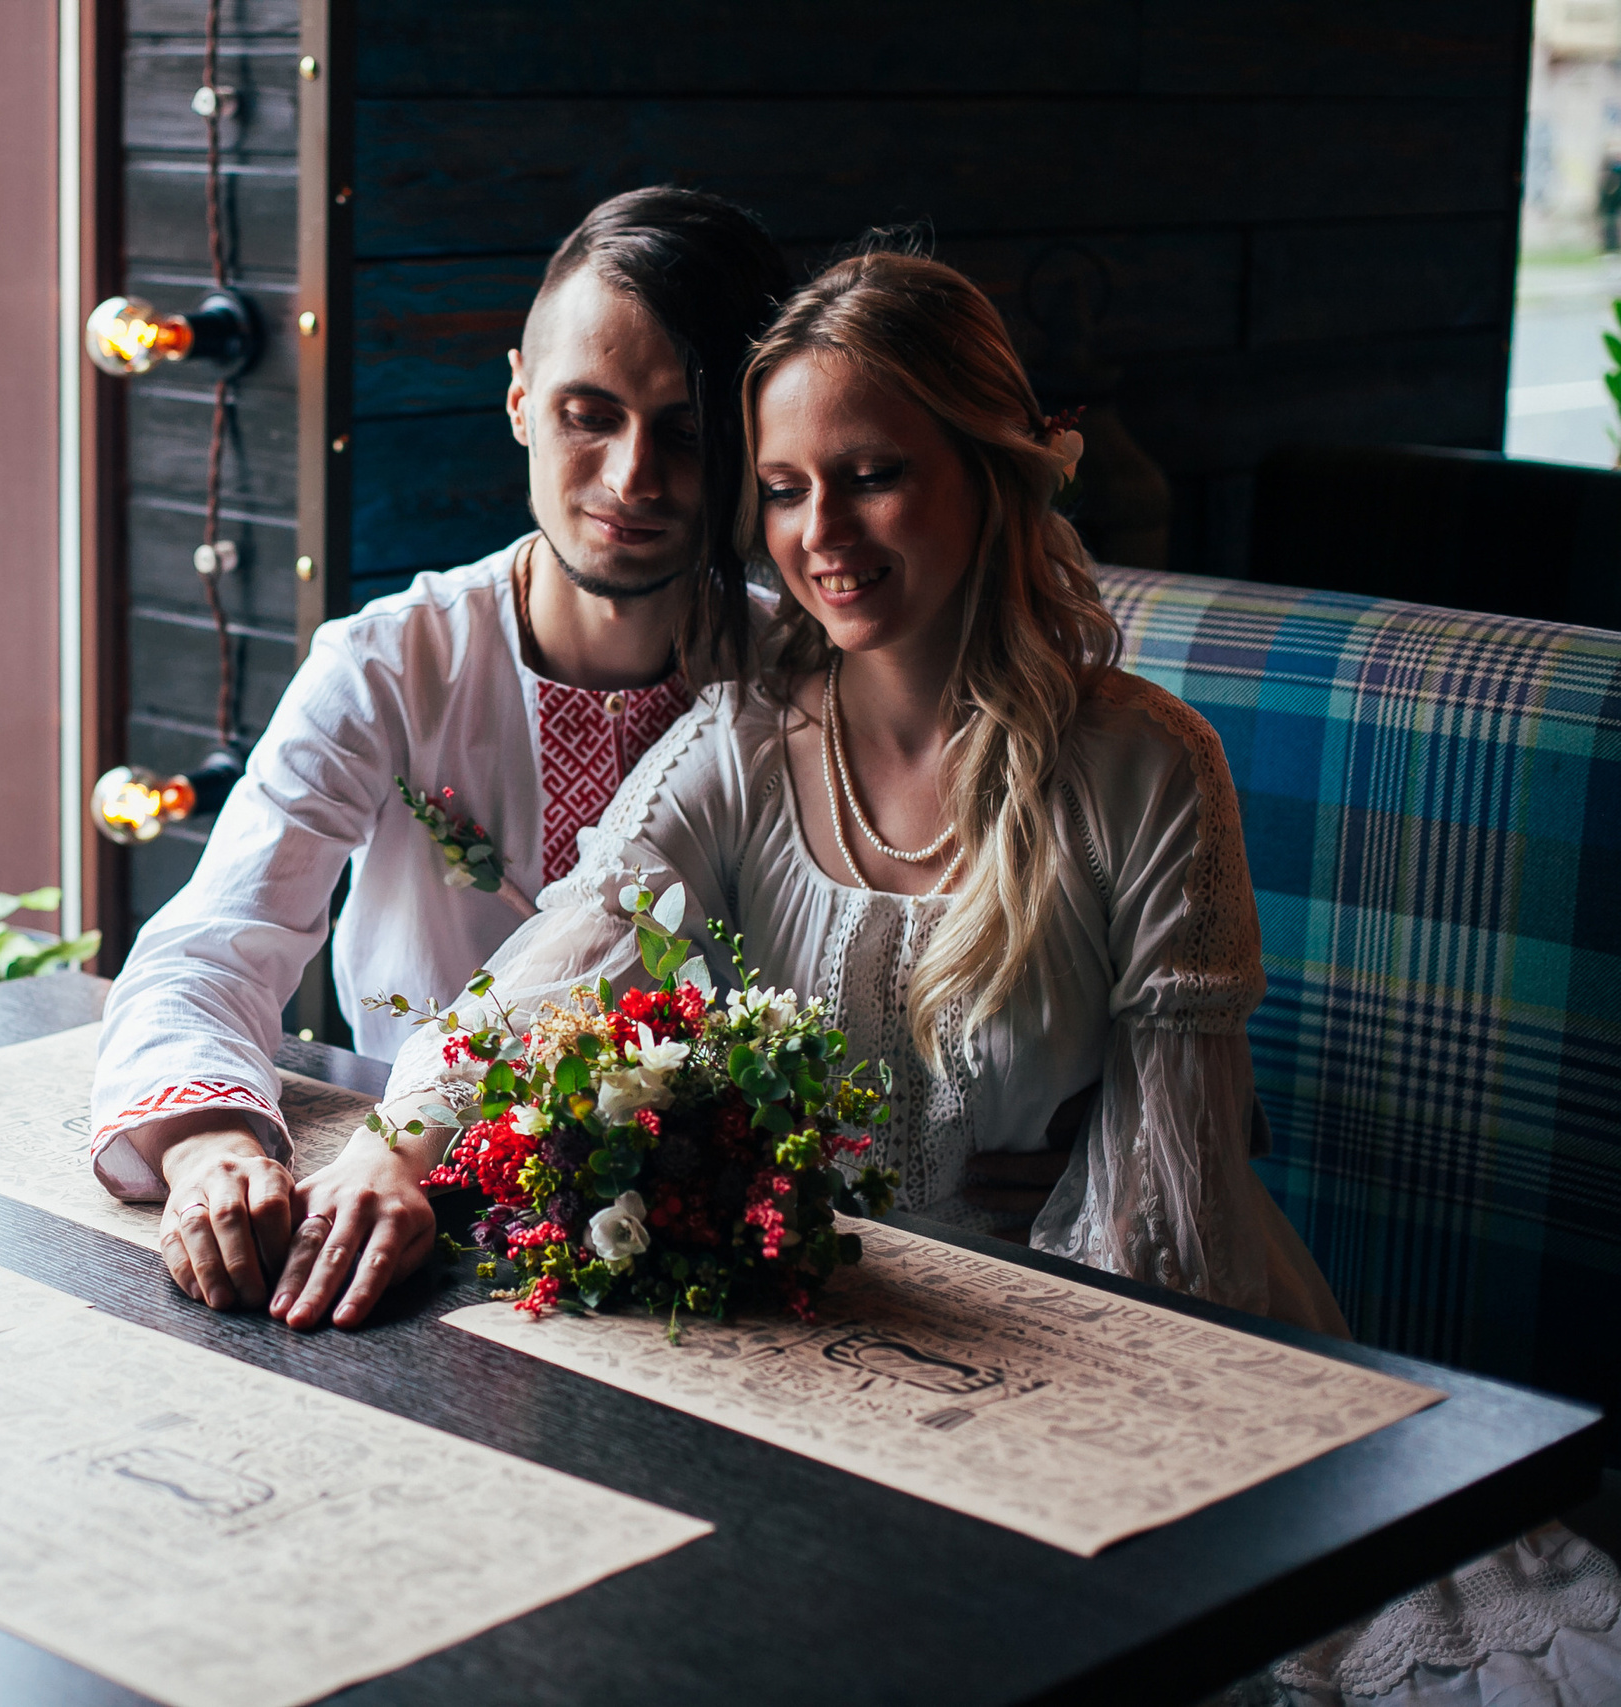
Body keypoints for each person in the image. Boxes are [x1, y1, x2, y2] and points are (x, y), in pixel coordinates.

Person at [368, 246, 1621, 1707]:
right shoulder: (739, 743)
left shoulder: (1149, 768)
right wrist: (405, 1150)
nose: (821, 530)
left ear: (991, 474)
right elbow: (557, 968)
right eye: (782, 487)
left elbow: (1174, 1218)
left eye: (874, 472)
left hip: (1120, 1338)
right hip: (815, 1344)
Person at [89, 186, 792, 1327]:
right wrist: (210, 1142)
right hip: (393, 1235)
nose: (632, 479)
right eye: (587, 412)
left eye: (686, 429)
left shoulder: (799, 676)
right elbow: (214, 943)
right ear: (518, 397)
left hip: (719, 1259)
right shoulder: (386, 663)